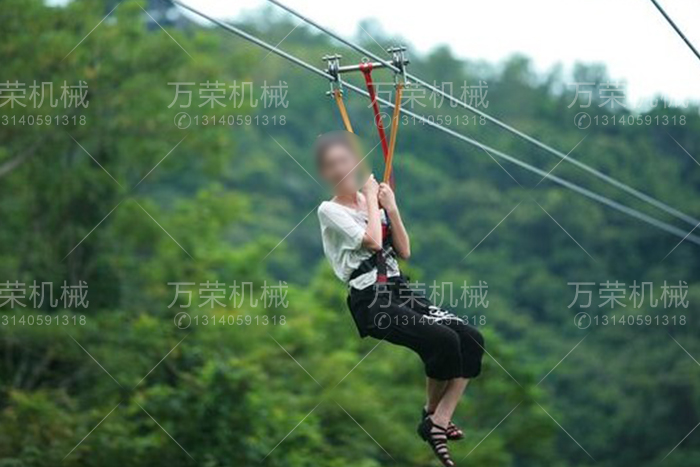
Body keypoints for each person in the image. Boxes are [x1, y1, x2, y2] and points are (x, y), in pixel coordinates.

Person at [315, 131, 485, 467]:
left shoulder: (374, 203)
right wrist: (371, 197)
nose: (340, 170)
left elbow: (404, 250)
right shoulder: (329, 210)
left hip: (399, 289)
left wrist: (390, 207)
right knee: (443, 340)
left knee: (470, 339)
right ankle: (432, 417)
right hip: (371, 299)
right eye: (331, 165)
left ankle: (437, 418)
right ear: (325, 173)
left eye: (345, 161)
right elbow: (373, 243)